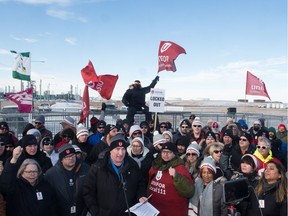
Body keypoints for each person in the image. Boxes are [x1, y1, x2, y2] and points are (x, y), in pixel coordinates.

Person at [83, 134, 148, 215]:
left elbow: (140, 184)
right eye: (117, 149)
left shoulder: (133, 165)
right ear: (110, 150)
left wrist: (141, 195)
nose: (120, 153)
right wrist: (96, 212)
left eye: (123, 149)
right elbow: (88, 191)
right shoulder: (98, 167)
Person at [0, 150, 56, 216]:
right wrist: (14, 159)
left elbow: (52, 207)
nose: (32, 174)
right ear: (22, 172)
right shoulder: (15, 186)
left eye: (35, 171)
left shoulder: (45, 186)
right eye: (29, 172)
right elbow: (5, 185)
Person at [147, 142, 194, 216]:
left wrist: (176, 176)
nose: (165, 154)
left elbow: (189, 191)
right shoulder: (156, 165)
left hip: (172, 212)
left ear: (174, 154)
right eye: (164, 152)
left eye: (169, 152)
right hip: (154, 211)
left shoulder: (180, 168)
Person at [45, 144, 90, 216]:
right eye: (67, 157)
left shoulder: (86, 169)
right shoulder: (51, 174)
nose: (71, 158)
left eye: (72, 155)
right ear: (61, 159)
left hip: (82, 211)